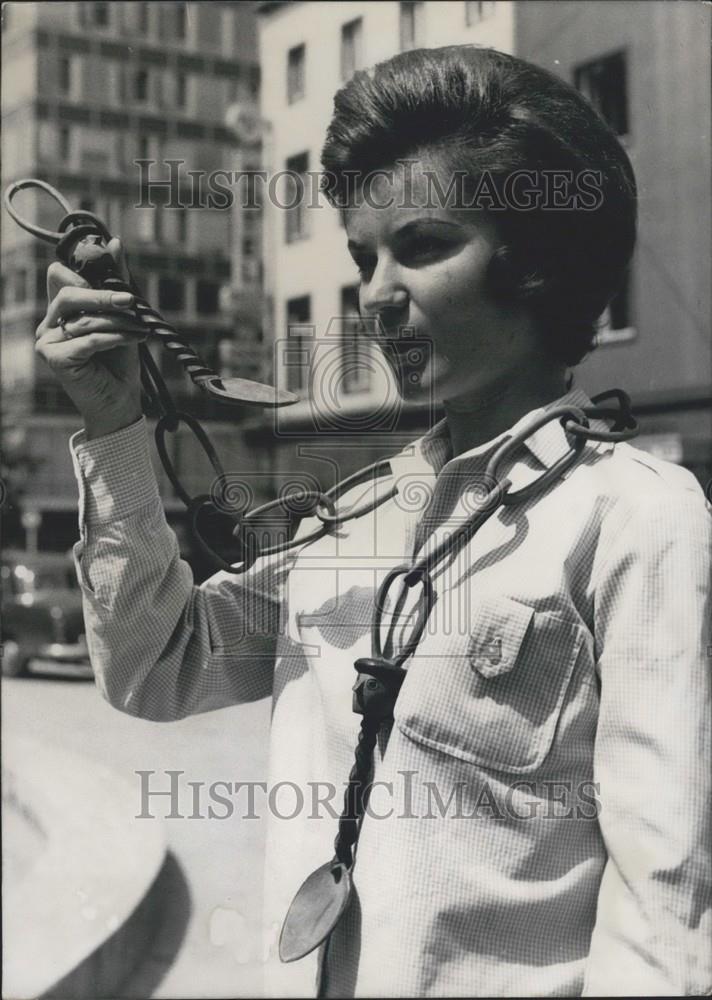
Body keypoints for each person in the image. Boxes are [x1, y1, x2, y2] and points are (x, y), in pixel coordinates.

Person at [35, 46, 710, 998]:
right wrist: (113, 425)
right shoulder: (353, 516)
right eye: (364, 255)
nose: (376, 293)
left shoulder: (639, 518)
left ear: (538, 267)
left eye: (425, 246)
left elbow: (669, 913)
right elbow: (158, 667)